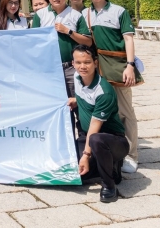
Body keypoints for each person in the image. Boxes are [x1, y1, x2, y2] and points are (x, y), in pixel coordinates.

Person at [84, 0, 142, 174]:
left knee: (125, 112)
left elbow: (128, 39)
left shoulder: (119, 11)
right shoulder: (86, 14)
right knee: (104, 111)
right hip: (99, 66)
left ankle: (132, 155)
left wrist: (130, 65)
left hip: (118, 66)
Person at [70, 45, 129, 203]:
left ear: (95, 63)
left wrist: (85, 156)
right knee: (70, 174)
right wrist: (76, 101)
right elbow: (86, 96)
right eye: (78, 62)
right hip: (86, 137)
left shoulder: (104, 91)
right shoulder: (77, 77)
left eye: (87, 62)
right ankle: (108, 167)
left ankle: (109, 186)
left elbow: (94, 129)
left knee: (96, 140)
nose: (82, 66)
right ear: (73, 63)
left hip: (112, 140)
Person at [32, 0, 93, 98]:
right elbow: (33, 41)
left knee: (75, 101)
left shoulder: (76, 15)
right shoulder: (40, 15)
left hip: (70, 68)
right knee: (52, 101)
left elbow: (88, 42)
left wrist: (68, 31)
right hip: (48, 68)